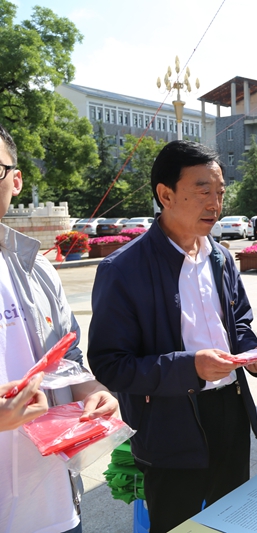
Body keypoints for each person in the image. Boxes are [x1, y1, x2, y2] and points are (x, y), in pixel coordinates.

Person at [88, 140, 257, 533]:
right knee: (178, 524)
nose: (215, 204)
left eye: (220, 192)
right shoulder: (124, 269)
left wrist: (252, 351)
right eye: (202, 191)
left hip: (231, 412)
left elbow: (238, 323)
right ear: (166, 194)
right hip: (168, 423)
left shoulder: (220, 257)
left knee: (231, 521)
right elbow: (110, 364)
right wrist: (190, 368)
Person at [0, 122, 118, 533]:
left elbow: (67, 358)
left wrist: (94, 392)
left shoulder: (38, 269)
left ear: (16, 181)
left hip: (51, 505)